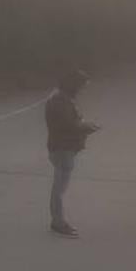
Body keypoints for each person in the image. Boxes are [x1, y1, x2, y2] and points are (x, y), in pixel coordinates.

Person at [45, 70, 99, 238]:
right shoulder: (59, 101)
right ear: (72, 85)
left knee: (59, 187)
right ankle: (58, 223)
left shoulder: (63, 99)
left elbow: (71, 122)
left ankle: (57, 220)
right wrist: (86, 127)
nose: (82, 90)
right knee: (59, 189)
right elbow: (67, 125)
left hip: (64, 147)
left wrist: (84, 125)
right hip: (62, 149)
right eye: (81, 86)